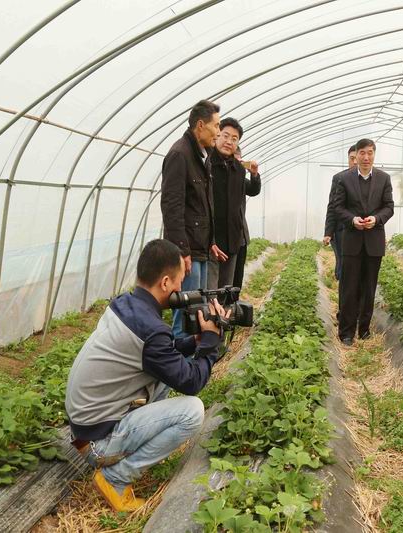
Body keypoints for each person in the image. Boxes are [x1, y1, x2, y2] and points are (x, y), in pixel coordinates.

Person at [65, 239, 229, 512]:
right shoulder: (151, 329)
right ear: (165, 282)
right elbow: (192, 383)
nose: (180, 290)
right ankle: (115, 477)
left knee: (166, 375)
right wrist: (211, 343)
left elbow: (162, 355)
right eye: (179, 282)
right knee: (192, 412)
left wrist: (195, 342)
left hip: (86, 428)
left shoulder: (127, 305)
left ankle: (126, 453)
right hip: (98, 443)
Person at [161, 99, 221, 338]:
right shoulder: (180, 154)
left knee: (198, 310)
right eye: (216, 126)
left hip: (200, 248)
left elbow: (202, 206)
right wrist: (182, 251)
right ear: (200, 125)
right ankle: (177, 359)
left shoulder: (202, 156)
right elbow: (171, 207)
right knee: (185, 314)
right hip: (188, 251)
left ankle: (192, 357)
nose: (218, 132)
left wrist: (210, 241)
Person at [333, 138, 394, 345]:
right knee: (349, 288)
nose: (366, 157)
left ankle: (365, 330)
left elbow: (389, 207)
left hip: (374, 242)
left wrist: (376, 219)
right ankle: (346, 332)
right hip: (352, 241)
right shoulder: (345, 179)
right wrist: (352, 220)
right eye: (362, 153)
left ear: (374, 154)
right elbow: (337, 207)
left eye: (370, 153)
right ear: (356, 155)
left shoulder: (384, 178)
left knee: (369, 288)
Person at [206, 118, 261, 289]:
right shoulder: (206, 164)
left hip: (232, 242)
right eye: (225, 136)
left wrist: (254, 175)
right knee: (208, 293)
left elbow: (252, 191)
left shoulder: (238, 169)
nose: (229, 141)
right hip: (210, 242)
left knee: (225, 290)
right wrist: (209, 239)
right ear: (217, 135)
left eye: (234, 139)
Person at [323, 145, 358, 280]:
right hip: (341, 230)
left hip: (360, 231)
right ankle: (342, 285)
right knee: (342, 264)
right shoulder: (339, 178)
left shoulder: (370, 179)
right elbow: (332, 206)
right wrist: (328, 232)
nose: (354, 162)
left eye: (356, 158)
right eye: (351, 158)